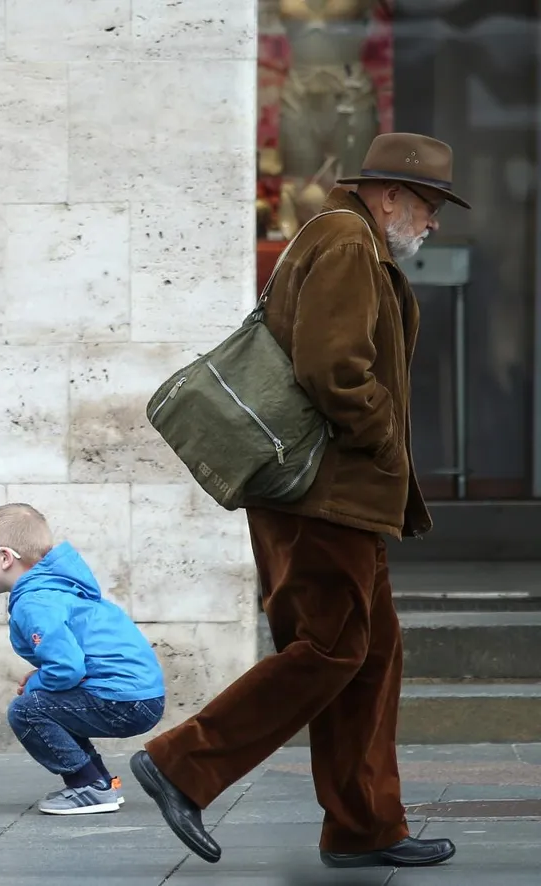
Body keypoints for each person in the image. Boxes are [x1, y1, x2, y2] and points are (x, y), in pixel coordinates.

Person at [129, 133, 470, 869]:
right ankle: (183, 765)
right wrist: (381, 437)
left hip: (337, 495)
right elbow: (333, 366)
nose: (433, 223)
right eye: (429, 206)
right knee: (329, 648)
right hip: (324, 495)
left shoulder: (346, 237)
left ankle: (365, 827)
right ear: (389, 197)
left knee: (371, 656)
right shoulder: (349, 243)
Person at [0, 503, 166, 815]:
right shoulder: (56, 589)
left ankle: (88, 786)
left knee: (26, 711)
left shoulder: (35, 602)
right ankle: (102, 782)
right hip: (140, 696)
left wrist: (36, 682)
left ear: (5, 557)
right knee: (49, 701)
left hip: (124, 701)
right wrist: (41, 678)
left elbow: (68, 668)